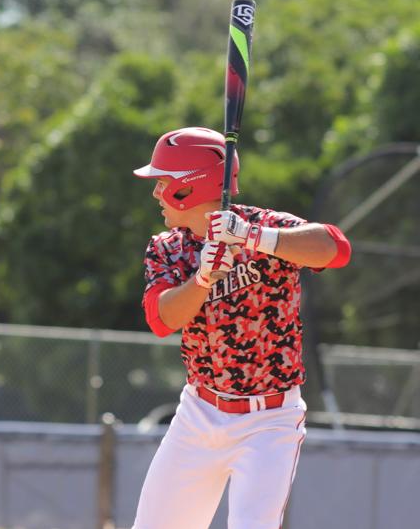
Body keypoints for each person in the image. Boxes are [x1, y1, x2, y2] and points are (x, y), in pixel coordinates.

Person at [131, 127, 351, 529]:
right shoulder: (168, 247)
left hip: (269, 421)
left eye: (163, 182)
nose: (156, 193)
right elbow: (161, 319)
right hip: (198, 414)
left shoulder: (266, 225)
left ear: (188, 188)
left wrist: (252, 237)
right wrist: (201, 279)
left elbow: (336, 248)